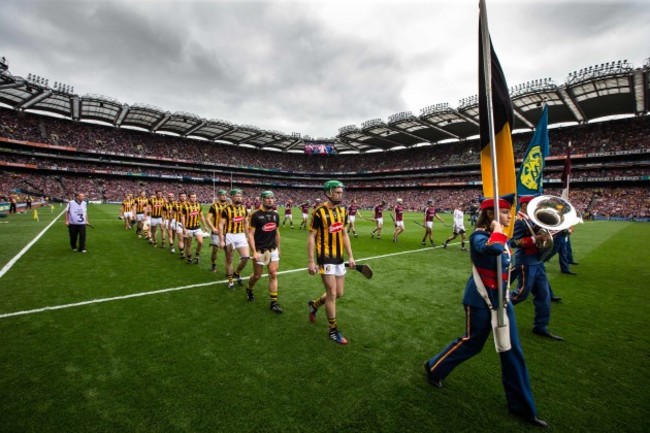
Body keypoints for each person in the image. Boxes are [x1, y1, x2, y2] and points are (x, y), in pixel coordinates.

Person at [423, 195, 548, 428]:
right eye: (504, 213)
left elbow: (508, 247)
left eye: (510, 213)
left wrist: (536, 240)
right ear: (490, 214)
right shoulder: (478, 236)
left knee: (512, 351)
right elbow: (493, 249)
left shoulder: (500, 235)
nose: (509, 217)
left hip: (502, 300)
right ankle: (434, 367)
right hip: (479, 300)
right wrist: (497, 231)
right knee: (473, 343)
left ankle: (521, 406)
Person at [307, 180, 355, 345]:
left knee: (339, 293)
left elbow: (344, 234)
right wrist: (311, 261)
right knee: (332, 293)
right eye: (337, 192)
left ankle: (314, 304)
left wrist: (350, 256)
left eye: (341, 192)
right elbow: (312, 236)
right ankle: (333, 330)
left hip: (339, 258)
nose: (340, 195)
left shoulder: (343, 211)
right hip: (324, 257)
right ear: (328, 193)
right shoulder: (318, 212)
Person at [510, 195, 564, 341]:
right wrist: (535, 239)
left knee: (544, 295)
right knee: (520, 294)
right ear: (524, 205)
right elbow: (513, 242)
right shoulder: (519, 221)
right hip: (526, 261)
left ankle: (541, 326)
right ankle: (492, 308)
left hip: (537, 261)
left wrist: (544, 236)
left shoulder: (531, 220)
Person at [246, 191, 283, 313]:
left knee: (273, 273)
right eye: (268, 198)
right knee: (257, 276)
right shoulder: (255, 215)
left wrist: (279, 249)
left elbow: (277, 233)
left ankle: (274, 302)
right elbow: (250, 234)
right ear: (262, 200)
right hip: (260, 251)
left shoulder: (275, 215)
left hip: (272, 250)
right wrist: (254, 252)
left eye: (272, 198)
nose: (270, 200)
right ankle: (249, 289)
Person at [219, 189, 251, 289]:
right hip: (229, 236)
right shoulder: (226, 209)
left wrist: (248, 235)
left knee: (246, 257)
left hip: (241, 235)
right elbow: (220, 225)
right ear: (232, 197)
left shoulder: (244, 209)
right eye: (237, 196)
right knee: (229, 260)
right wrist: (221, 240)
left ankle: (237, 273)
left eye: (240, 196)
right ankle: (230, 281)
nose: (239, 198)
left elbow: (246, 223)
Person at [181, 192, 207, 264]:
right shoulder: (185, 206)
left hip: (197, 227)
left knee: (200, 242)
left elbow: (201, 216)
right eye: (192, 197)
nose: (194, 198)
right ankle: (189, 258)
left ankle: (197, 256)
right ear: (189, 198)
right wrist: (184, 228)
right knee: (188, 244)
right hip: (188, 228)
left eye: (195, 197)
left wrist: (205, 225)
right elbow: (182, 217)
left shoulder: (198, 205)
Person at [206, 190, 228, 272]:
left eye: (225, 195)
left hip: (227, 232)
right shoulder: (214, 206)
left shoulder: (229, 206)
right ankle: (213, 264)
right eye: (222, 195)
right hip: (216, 232)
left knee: (228, 251)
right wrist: (213, 228)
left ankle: (228, 269)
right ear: (218, 196)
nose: (224, 196)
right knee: (215, 250)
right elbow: (208, 219)